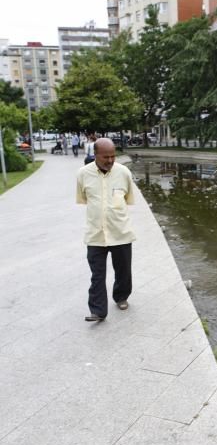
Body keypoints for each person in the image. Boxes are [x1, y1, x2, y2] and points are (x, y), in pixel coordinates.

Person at [76, 138, 136, 322]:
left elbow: (128, 199)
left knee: (123, 271)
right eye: (105, 157)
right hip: (95, 234)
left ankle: (121, 296)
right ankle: (98, 311)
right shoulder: (83, 174)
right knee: (97, 275)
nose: (110, 161)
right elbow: (84, 199)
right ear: (95, 155)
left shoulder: (124, 172)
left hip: (120, 232)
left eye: (113, 156)